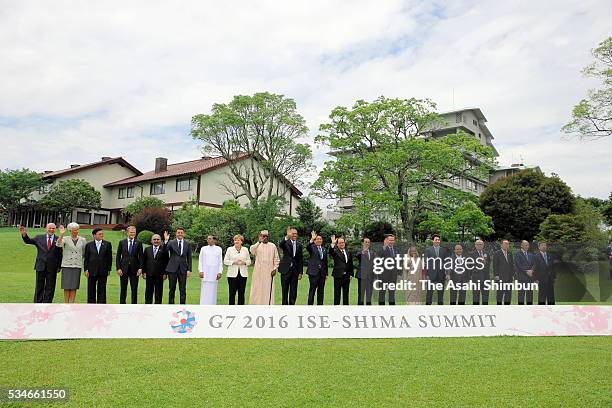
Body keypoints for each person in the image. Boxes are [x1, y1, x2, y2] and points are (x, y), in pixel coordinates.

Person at [19, 223, 62, 303]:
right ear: (46, 228)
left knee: (50, 287)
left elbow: (60, 254)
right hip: (40, 266)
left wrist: (59, 266)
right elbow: (29, 241)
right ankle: (37, 304)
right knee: (39, 286)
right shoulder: (39, 237)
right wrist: (24, 235)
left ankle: (47, 303)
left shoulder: (58, 239)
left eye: (53, 228)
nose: (51, 230)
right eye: (50, 228)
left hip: (52, 267)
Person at [56, 223, 87, 303]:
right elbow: (58, 244)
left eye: (77, 229)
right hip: (66, 265)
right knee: (66, 286)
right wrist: (61, 234)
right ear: (70, 230)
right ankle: (66, 303)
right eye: (74, 230)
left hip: (77, 265)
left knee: (74, 286)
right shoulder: (65, 239)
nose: (76, 231)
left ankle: (72, 303)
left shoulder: (83, 240)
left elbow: (84, 252)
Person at [249, 230, 280, 305]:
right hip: (258, 272)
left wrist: (275, 269)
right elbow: (252, 251)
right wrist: (259, 242)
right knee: (257, 289)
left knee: (268, 289)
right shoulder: (257, 245)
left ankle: (268, 304)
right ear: (260, 236)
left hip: (269, 272)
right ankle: (257, 304)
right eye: (263, 236)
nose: (265, 237)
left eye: (266, 236)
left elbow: (276, 259)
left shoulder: (272, 246)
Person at [163, 228, 193, 305]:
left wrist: (189, 269)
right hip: (172, 269)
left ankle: (182, 305)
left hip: (183, 269)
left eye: (181, 233)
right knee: (172, 288)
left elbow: (189, 257)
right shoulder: (171, 242)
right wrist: (166, 241)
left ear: (184, 234)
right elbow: (164, 251)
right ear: (176, 234)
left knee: (182, 289)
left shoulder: (187, 243)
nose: (180, 234)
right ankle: (171, 305)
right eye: (178, 232)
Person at [83, 228, 112, 303]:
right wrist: (86, 269)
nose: (101, 235)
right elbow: (86, 258)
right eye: (99, 234)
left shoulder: (107, 244)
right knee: (91, 288)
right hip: (91, 270)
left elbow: (109, 258)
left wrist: (109, 269)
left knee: (102, 289)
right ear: (94, 235)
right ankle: (91, 305)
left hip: (103, 270)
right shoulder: (89, 245)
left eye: (102, 234)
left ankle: (101, 305)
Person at [116, 226, 143, 304]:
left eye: (134, 232)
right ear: (127, 233)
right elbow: (118, 256)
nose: (133, 234)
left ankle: (134, 305)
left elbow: (141, 257)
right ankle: (122, 304)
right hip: (123, 269)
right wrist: (118, 268)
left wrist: (140, 268)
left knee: (134, 289)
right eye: (131, 232)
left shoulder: (139, 243)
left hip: (135, 269)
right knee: (123, 288)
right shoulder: (122, 242)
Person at [278, 227, 303, 305]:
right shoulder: (285, 242)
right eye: (293, 233)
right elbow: (280, 245)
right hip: (285, 270)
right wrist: (286, 237)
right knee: (284, 290)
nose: (295, 235)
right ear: (289, 234)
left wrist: (300, 272)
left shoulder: (299, 245)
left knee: (293, 290)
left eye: (296, 234)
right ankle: (284, 306)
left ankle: (292, 306)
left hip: (295, 271)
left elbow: (300, 259)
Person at [224, 234, 251, 305]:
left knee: (241, 293)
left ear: (241, 241)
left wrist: (244, 262)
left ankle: (241, 309)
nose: (236, 241)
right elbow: (225, 261)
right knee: (232, 293)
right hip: (232, 275)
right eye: (235, 240)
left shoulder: (245, 249)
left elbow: (249, 261)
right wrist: (233, 262)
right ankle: (231, 309)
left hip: (243, 275)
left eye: (238, 240)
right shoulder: (229, 249)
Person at [142, 234, 168, 304]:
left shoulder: (164, 249)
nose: (156, 241)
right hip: (149, 274)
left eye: (158, 239)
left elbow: (166, 262)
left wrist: (165, 273)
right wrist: (144, 272)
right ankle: (147, 307)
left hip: (160, 275)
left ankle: (158, 307)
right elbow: (144, 261)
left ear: (160, 241)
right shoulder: (147, 249)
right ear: (151, 241)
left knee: (158, 292)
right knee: (148, 292)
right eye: (154, 239)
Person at [198, 235, 223, 305]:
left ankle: (212, 305)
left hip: (214, 273)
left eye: (210, 239)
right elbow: (200, 261)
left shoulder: (219, 249)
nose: (208, 240)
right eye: (208, 239)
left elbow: (220, 261)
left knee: (213, 291)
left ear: (214, 240)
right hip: (205, 273)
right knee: (204, 290)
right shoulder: (203, 248)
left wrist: (220, 272)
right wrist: (200, 271)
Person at [424, 234, 448, 305]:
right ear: (433, 241)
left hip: (441, 273)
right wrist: (427, 274)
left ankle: (440, 306)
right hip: (431, 273)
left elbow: (446, 262)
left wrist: (447, 273)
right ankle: (428, 305)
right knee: (430, 290)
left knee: (440, 291)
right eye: (436, 240)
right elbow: (426, 262)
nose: (437, 241)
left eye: (438, 240)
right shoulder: (428, 250)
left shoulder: (444, 250)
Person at [330, 235, 353, 305]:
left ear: (344, 243)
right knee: (337, 293)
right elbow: (331, 251)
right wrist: (332, 243)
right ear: (337, 244)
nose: (341, 244)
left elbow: (350, 264)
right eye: (340, 243)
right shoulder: (335, 252)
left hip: (347, 276)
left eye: (342, 242)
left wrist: (351, 274)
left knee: (346, 293)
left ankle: (345, 308)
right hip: (338, 276)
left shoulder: (348, 252)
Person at [306, 231, 328, 305]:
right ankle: (310, 306)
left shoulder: (324, 249)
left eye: (320, 239)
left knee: (321, 291)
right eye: (317, 239)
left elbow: (325, 262)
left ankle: (320, 306)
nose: (319, 240)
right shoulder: (312, 247)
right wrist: (311, 239)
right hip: (313, 273)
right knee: (312, 290)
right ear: (315, 241)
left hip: (322, 274)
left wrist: (326, 274)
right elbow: (307, 246)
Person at [378, 234, 400, 305]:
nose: (391, 241)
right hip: (383, 275)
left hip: (393, 276)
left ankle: (392, 309)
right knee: (382, 292)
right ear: (387, 240)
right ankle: (382, 310)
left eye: (393, 240)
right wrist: (384, 246)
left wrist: (399, 272)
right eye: (390, 240)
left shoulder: (396, 250)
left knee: (392, 292)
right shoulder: (382, 249)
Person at [493, 239, 514, 305]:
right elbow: (495, 265)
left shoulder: (510, 253)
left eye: (507, 244)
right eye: (505, 244)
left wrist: (513, 275)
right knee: (500, 294)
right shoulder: (497, 253)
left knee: (508, 294)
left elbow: (511, 265)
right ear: (501, 245)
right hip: (500, 278)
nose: (507, 245)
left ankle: (507, 308)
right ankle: (499, 308)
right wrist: (496, 275)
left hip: (509, 278)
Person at [514, 240, 535, 305]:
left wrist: (532, 270)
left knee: (530, 295)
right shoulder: (517, 254)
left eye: (528, 245)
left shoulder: (531, 254)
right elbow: (518, 265)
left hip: (530, 278)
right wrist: (526, 271)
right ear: (521, 245)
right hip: (521, 278)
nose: (527, 246)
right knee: (521, 295)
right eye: (526, 245)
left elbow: (534, 264)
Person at [470, 239, 490, 305]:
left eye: (481, 244)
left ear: (483, 245)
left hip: (486, 278)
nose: (479, 246)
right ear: (475, 245)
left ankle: (485, 310)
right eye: (478, 244)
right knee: (476, 296)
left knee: (486, 296)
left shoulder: (486, 253)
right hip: (476, 278)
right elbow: (470, 266)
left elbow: (488, 264)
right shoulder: (471, 254)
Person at [355, 237, 374, 305]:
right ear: (362, 243)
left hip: (370, 276)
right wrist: (363, 251)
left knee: (369, 293)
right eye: (366, 242)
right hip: (362, 276)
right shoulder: (359, 250)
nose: (367, 243)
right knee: (361, 294)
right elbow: (357, 256)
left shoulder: (371, 252)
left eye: (368, 242)